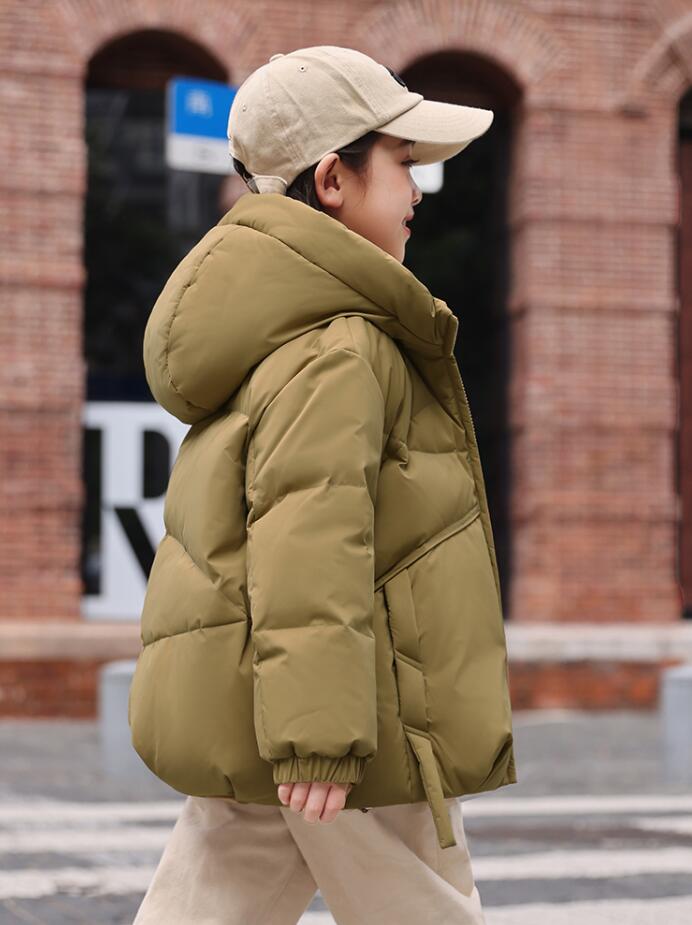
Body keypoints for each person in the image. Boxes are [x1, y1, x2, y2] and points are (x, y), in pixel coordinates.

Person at [129, 44, 517, 924]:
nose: (419, 189)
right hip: (358, 720)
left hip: (276, 703)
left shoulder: (277, 329)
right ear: (334, 179)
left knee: (209, 898)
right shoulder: (339, 344)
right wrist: (318, 740)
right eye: (404, 163)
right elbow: (311, 538)